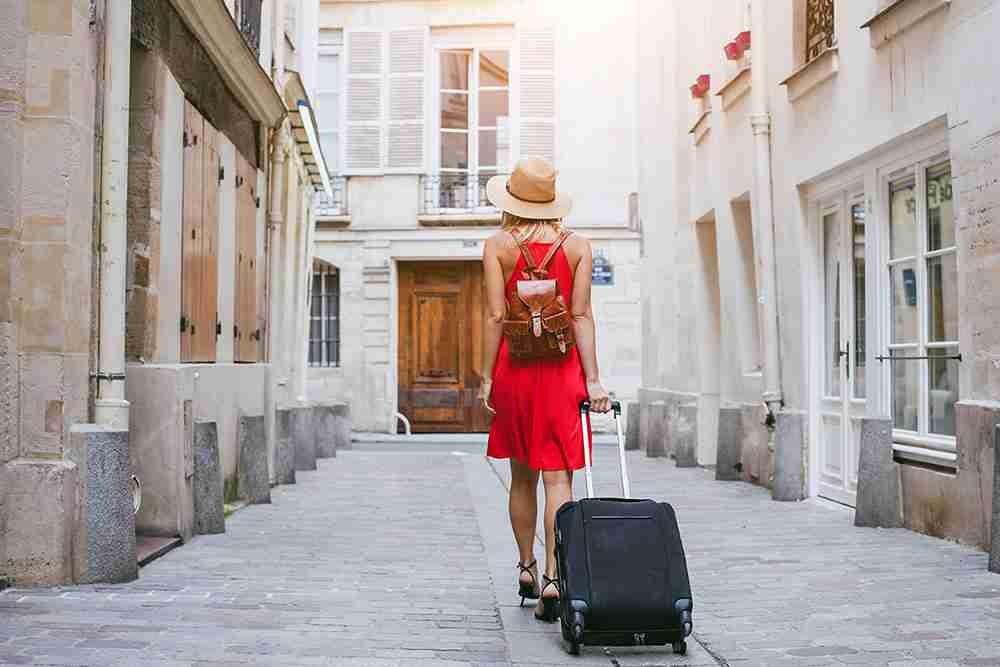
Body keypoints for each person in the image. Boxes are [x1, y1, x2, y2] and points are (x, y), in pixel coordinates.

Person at [478, 157, 611, 623]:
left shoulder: (496, 245)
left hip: (515, 371)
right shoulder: (577, 246)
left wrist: (487, 377)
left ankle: (526, 568)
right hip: (562, 374)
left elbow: (495, 316)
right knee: (559, 480)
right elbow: (580, 316)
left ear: (510, 202)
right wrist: (593, 380)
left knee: (521, 478)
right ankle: (556, 577)